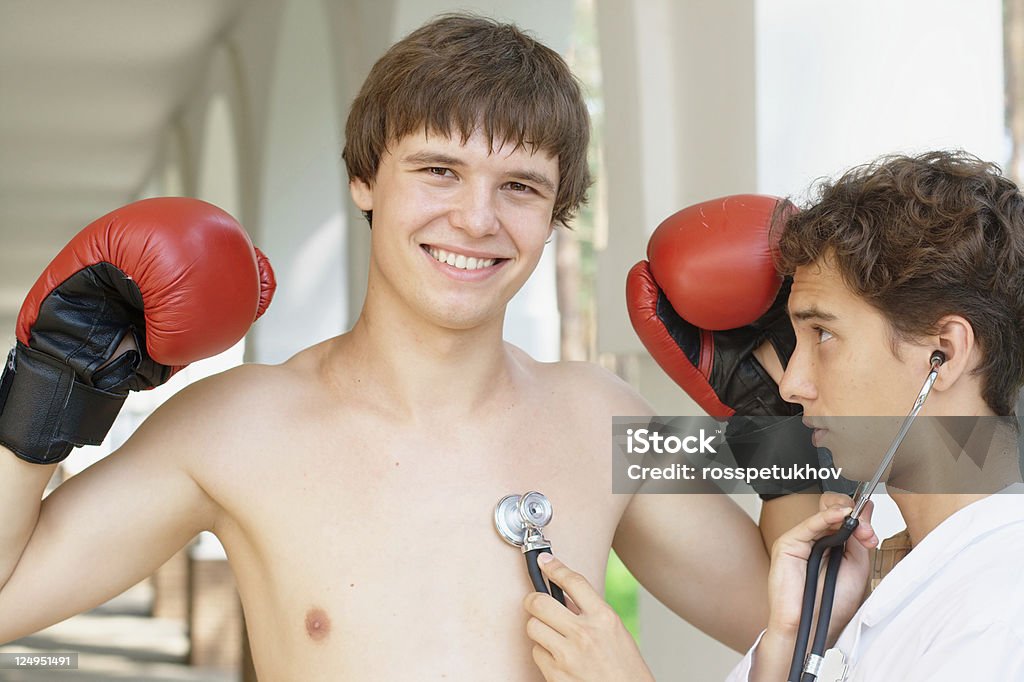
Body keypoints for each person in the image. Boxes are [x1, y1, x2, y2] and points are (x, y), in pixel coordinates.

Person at [0, 14, 815, 680]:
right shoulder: (234, 424)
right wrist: (46, 389)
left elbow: (797, 619)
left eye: (520, 187)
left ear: (557, 210)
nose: (476, 219)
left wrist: (785, 419)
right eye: (438, 170)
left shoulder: (602, 416)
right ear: (364, 178)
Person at [523, 150, 1024, 681]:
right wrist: (788, 644)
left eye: (823, 334)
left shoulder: (999, 606)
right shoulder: (894, 585)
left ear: (942, 352)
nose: (791, 382)